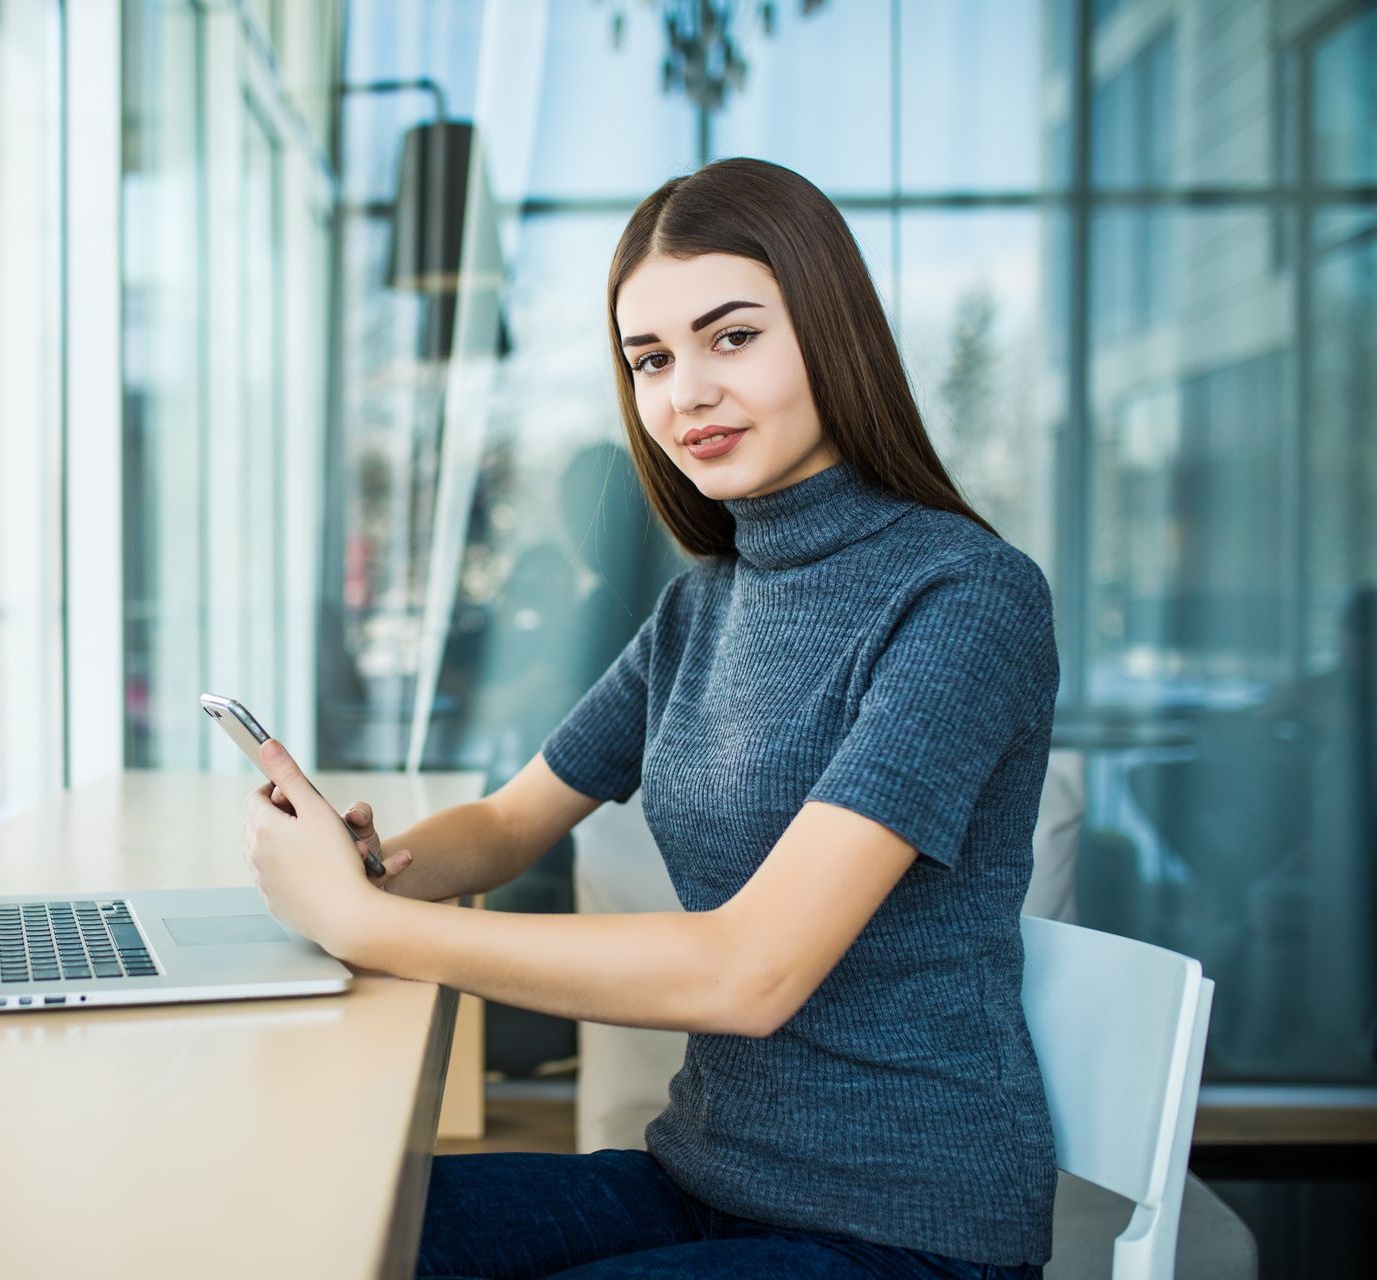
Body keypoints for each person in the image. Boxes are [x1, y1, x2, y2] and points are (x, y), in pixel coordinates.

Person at [242, 157, 1058, 1279]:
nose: (686, 393)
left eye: (732, 337)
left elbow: (750, 972)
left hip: (903, 1230)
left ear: (832, 330)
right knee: (298, 1230)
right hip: (705, 1179)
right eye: (651, 359)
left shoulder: (965, 597)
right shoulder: (704, 605)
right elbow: (512, 822)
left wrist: (366, 925)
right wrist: (374, 865)